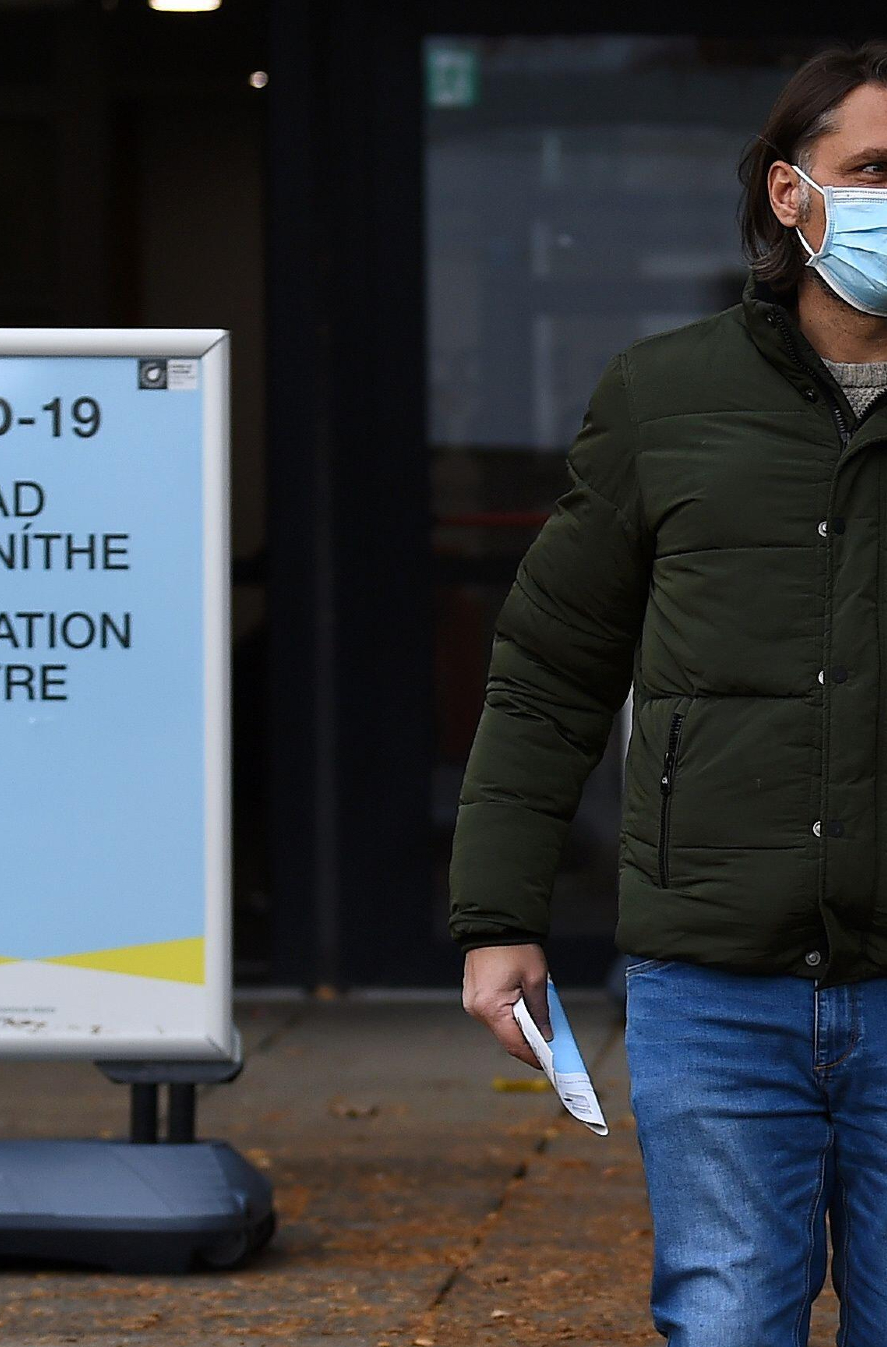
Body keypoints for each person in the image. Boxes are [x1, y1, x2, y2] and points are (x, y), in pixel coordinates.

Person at [451, 43, 887, 1347]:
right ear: (786, 194)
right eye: (874, 168)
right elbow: (547, 672)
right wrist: (495, 915)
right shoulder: (662, 396)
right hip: (712, 984)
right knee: (723, 1322)